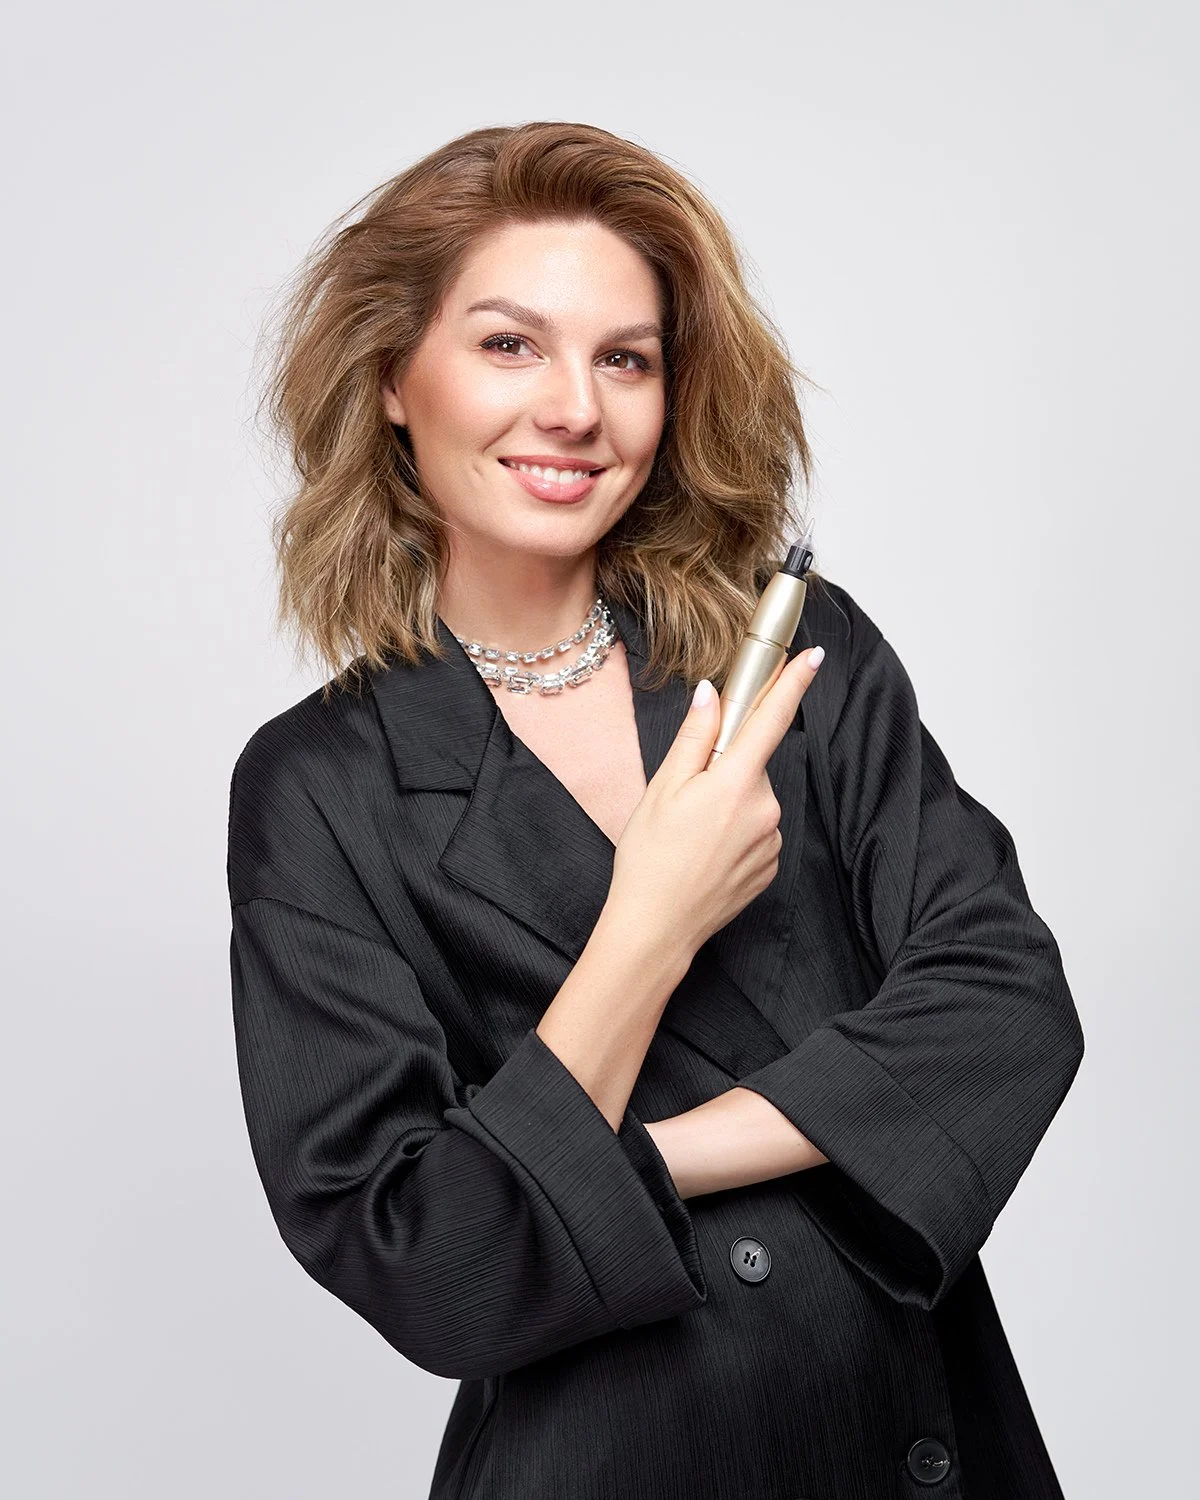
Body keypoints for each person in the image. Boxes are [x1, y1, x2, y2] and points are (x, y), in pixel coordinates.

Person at [227, 120, 1085, 1500]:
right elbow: (431, 1256)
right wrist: (651, 923)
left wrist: (631, 1166)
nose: (575, 408)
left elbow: (1008, 1005)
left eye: (625, 358)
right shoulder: (319, 787)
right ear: (391, 377)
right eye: (511, 345)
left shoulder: (796, 654)